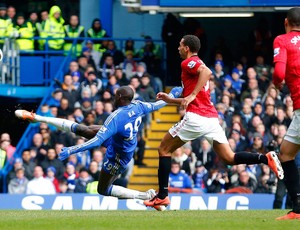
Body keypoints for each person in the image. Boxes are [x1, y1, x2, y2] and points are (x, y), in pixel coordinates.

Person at [143, 34, 284, 210]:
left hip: (196, 117)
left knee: (163, 149)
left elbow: (207, 72)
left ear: (187, 48)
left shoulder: (188, 62)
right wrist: (171, 100)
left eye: (180, 45)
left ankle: (162, 196)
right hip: (210, 118)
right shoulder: (193, 67)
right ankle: (265, 158)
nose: (178, 48)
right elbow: (192, 98)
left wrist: (192, 95)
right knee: (229, 158)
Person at [15, 86, 183, 200]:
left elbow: (97, 142)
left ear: (119, 97)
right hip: (119, 140)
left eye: (115, 94)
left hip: (119, 155)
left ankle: (144, 196)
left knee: (102, 189)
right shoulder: (138, 105)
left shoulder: (116, 117)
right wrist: (174, 94)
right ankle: (37, 118)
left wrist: (71, 150)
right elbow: (156, 105)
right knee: (84, 130)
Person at [271, 7, 300, 220]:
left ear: (286, 22)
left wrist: (277, 84)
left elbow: (279, 72)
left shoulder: (282, 40)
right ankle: (297, 208)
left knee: (287, 155)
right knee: (286, 152)